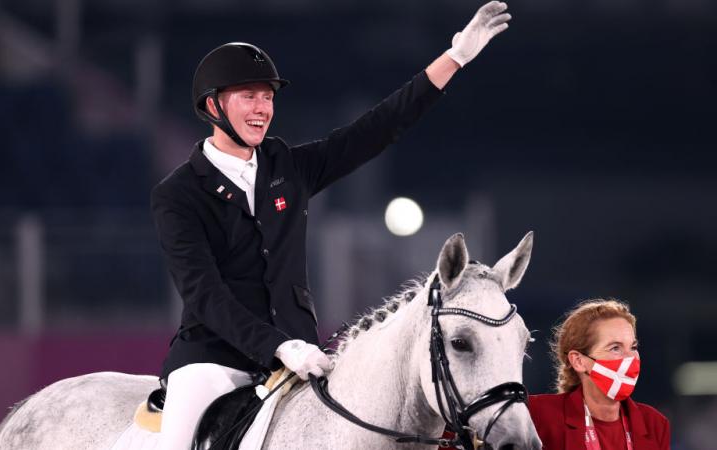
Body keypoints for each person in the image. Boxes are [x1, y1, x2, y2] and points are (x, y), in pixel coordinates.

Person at [151, 2, 512, 448]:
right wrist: (277, 347)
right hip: (214, 360)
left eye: (268, 97)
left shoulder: (289, 167)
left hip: (301, 358)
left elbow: (374, 131)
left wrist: (453, 59)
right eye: (249, 96)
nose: (263, 108)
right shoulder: (179, 193)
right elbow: (203, 294)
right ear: (212, 105)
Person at [528, 299, 670, 449]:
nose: (631, 358)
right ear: (579, 361)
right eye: (615, 348)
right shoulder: (539, 415)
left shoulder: (655, 424)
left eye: (633, 347)